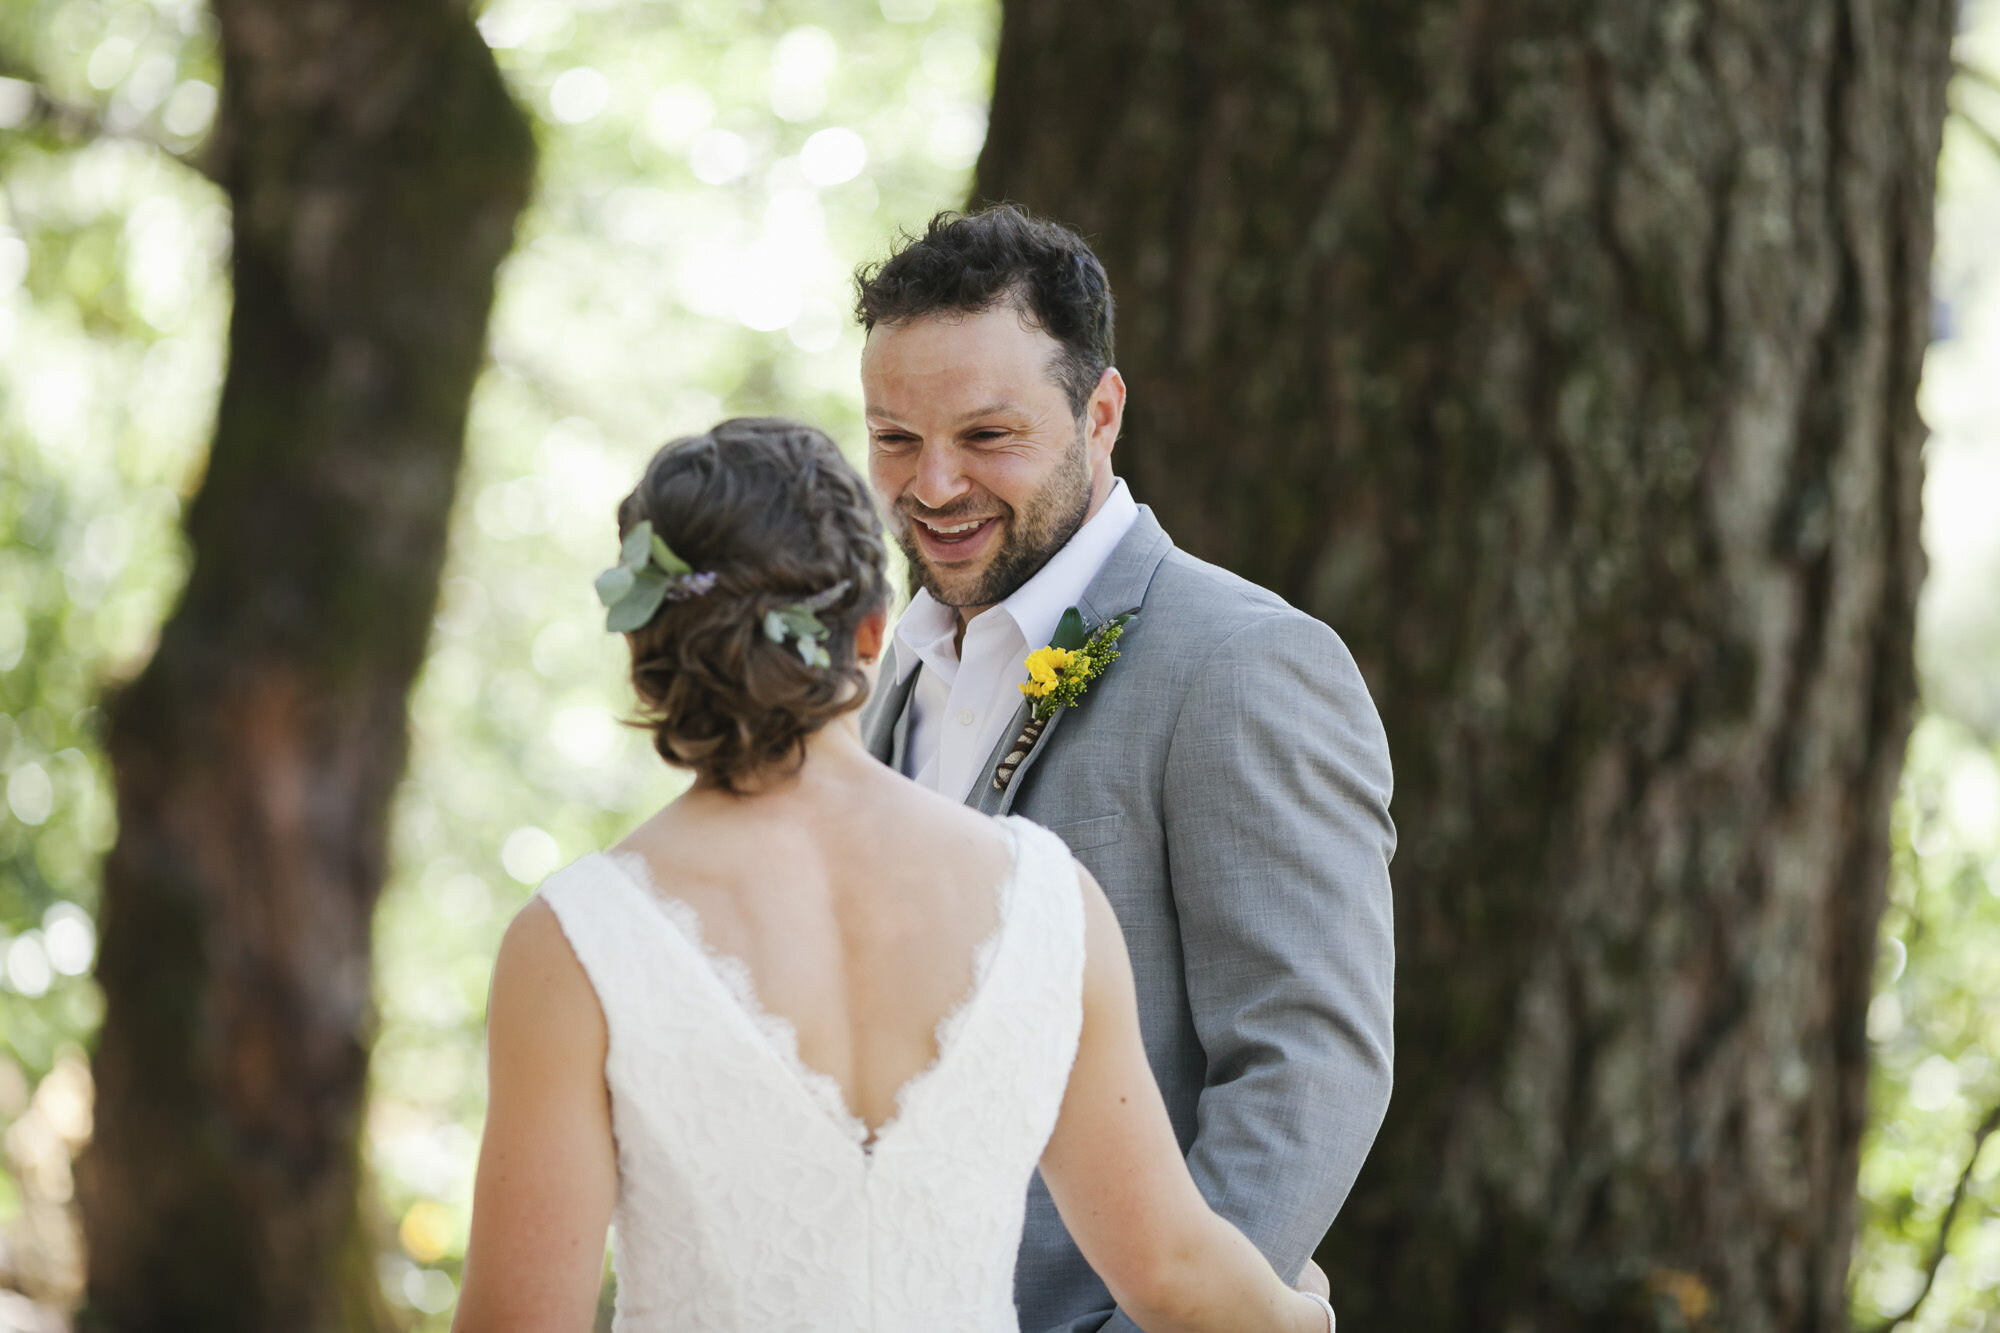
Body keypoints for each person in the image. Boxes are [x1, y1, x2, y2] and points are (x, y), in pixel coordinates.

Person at [451, 418, 1336, 1332]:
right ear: (873, 632)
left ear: (647, 657)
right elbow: (1170, 1267)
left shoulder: (578, 943)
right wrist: (1301, 1316)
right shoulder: (1044, 902)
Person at [854, 206, 1396, 1333]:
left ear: (1099, 414)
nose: (934, 484)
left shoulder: (1240, 661)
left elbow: (1306, 1062)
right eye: (895, 438)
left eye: (987, 435)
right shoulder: (897, 674)